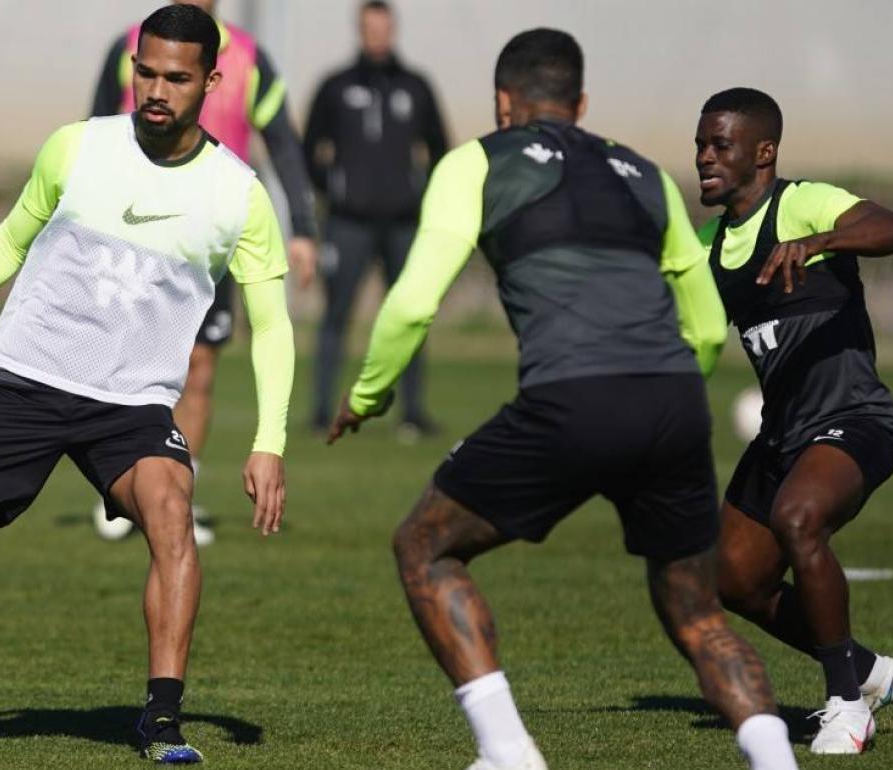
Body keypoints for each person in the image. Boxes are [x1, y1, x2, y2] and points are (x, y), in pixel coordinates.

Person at [329, 29, 798, 770]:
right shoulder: (642, 173)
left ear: (502, 103)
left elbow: (412, 303)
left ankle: (507, 750)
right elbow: (706, 321)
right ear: (580, 105)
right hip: (673, 401)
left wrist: (368, 397)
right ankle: (776, 760)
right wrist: (662, 399)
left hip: (573, 399)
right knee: (697, 612)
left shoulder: (475, 161)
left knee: (424, 547)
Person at [0, 5, 293, 763]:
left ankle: (160, 720)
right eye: (146, 72)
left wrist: (269, 443)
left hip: (131, 410)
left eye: (177, 78)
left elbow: (276, 324)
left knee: (171, 514)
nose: (157, 90)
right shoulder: (76, 147)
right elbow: (8, 241)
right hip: (27, 388)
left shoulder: (238, 194)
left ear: (212, 81)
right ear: (133, 67)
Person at [695, 87, 893, 755]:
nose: (704, 157)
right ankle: (869, 670)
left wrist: (820, 241)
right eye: (700, 145)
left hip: (855, 420)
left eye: (719, 145)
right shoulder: (708, 246)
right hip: (781, 436)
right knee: (734, 578)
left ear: (762, 153)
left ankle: (847, 707)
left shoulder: (804, 202)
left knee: (798, 519)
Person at [91, 0, 317, 543]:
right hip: (134, 229)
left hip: (211, 238)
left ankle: (174, 497)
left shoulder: (248, 56)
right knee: (120, 363)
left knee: (200, 369)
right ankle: (116, 487)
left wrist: (303, 226)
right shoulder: (129, 45)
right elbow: (92, 132)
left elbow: (283, 141)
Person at [305, 0, 447, 438]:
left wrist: (420, 193)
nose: (377, 37)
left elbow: (440, 148)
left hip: (404, 223)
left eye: (384, 29)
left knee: (409, 315)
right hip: (349, 223)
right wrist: (338, 188)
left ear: (394, 30)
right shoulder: (335, 86)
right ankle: (321, 408)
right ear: (359, 30)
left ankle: (413, 412)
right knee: (336, 315)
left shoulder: (416, 87)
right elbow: (310, 147)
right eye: (370, 29)